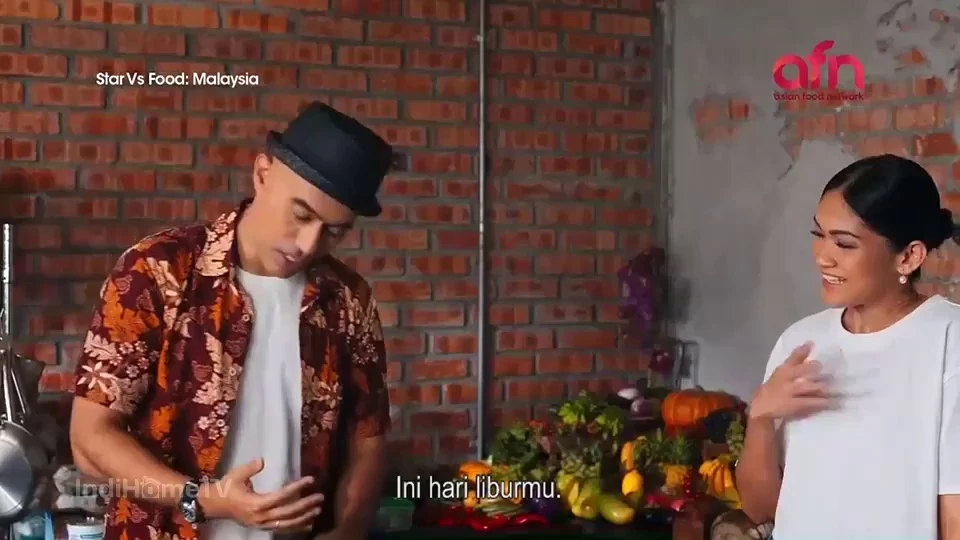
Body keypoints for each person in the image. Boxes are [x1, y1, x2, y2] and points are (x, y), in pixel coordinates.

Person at [69, 102, 394, 540]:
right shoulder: (157, 271)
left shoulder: (348, 299)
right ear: (262, 173)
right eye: (301, 215)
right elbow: (89, 439)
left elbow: (368, 437)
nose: (307, 243)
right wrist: (201, 499)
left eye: (334, 231)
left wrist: (350, 528)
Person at [735, 154, 960, 539]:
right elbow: (760, 509)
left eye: (844, 243)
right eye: (818, 235)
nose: (823, 256)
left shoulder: (948, 340)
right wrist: (761, 418)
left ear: (908, 257)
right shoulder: (799, 342)